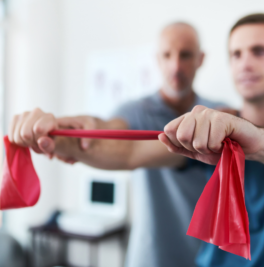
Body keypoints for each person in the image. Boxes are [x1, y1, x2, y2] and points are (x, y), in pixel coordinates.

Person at [8, 22, 226, 267]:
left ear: (201, 58)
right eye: (167, 55)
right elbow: (106, 138)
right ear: (157, 59)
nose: (176, 66)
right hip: (150, 257)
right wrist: (51, 132)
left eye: (185, 55)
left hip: (209, 257)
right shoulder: (135, 112)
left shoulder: (218, 117)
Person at [160, 13, 264, 267]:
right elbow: (131, 152)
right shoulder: (214, 126)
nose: (244, 64)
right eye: (236, 54)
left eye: (259, 51)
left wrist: (257, 139)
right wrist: (73, 139)